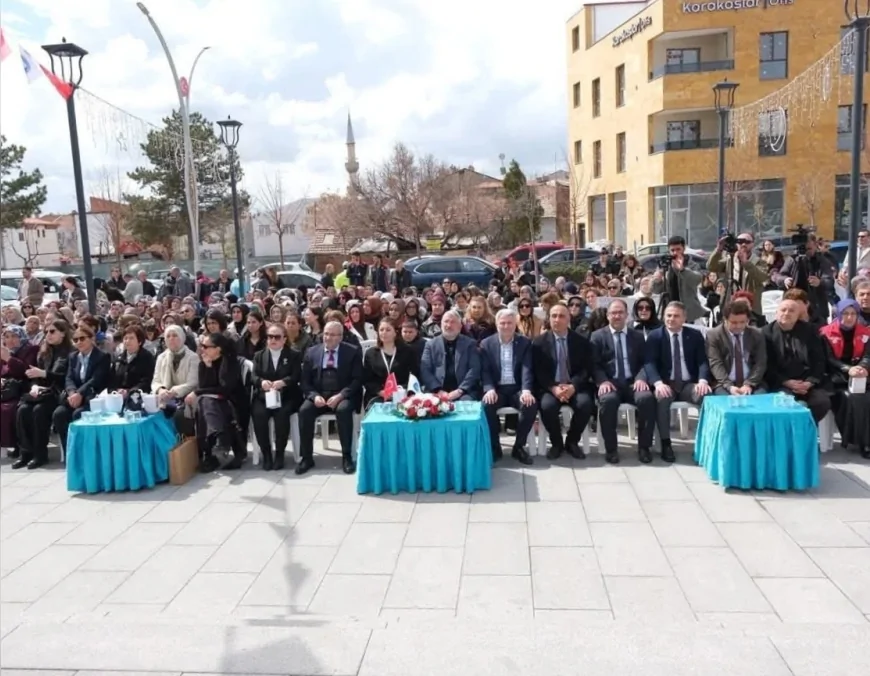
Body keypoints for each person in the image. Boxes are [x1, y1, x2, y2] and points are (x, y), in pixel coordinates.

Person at [589, 299, 656, 464]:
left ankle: (644, 448)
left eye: (620, 313)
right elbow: (593, 364)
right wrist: (602, 381)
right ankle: (611, 449)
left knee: (647, 398)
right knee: (607, 401)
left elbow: (645, 362)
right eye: (613, 313)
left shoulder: (638, 336)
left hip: (633, 382)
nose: (617, 316)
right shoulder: (597, 336)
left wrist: (641, 378)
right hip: (610, 383)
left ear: (627, 315)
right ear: (607, 315)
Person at [644, 301, 711, 462]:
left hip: (689, 384)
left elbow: (702, 361)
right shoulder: (655, 336)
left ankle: (706, 442)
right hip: (667, 383)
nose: (671, 319)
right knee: (662, 399)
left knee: (707, 398)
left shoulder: (694, 336)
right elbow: (649, 363)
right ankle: (666, 443)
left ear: (684, 318)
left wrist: (702, 381)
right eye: (668, 315)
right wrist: (658, 383)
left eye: (676, 316)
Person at [298, 321, 363, 475]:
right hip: (319, 394)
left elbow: (357, 380)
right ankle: (306, 457)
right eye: (326, 334)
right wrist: (314, 397)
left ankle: (346, 456)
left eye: (332, 334)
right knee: (304, 411)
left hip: (343, 394)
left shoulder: (352, 352)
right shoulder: (312, 352)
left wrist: (341, 395)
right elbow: (305, 382)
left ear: (340, 337)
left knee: (343, 411)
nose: (328, 337)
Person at [532, 303, 595, 460]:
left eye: (561, 316)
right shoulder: (538, 343)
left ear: (569, 319)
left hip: (575, 386)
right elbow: (538, 371)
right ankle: (557, 443)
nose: (557, 320)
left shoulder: (581, 341)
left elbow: (586, 369)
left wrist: (573, 386)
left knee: (585, 404)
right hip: (550, 387)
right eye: (553, 316)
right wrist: (553, 388)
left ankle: (572, 441)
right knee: (547, 407)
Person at [479, 309, 536, 465]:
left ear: (515, 324)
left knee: (530, 405)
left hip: (517, 389)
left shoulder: (524, 342)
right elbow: (485, 370)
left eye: (509, 323)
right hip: (497, 389)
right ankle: (494, 447)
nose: (506, 326)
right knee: (486, 405)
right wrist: (489, 388)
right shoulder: (486, 344)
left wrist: (526, 390)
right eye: (502, 323)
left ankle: (519, 447)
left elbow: (527, 368)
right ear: (496, 324)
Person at [15, 320, 73, 469]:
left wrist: (45, 373)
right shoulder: (44, 352)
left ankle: (40, 454)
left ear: (63, 333)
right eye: (46, 332)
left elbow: (65, 377)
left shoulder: (69, 352)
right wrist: (34, 386)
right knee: (22, 410)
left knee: (39, 411)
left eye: (52, 331)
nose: (48, 335)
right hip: (41, 392)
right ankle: (26, 453)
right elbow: (35, 376)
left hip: (57, 394)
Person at [187, 332, 248, 472]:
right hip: (214, 401)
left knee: (205, 402)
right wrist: (208, 367)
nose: (202, 349)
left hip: (232, 400)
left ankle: (210, 454)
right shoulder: (204, 363)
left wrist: (197, 392)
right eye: (201, 346)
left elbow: (225, 389)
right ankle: (219, 438)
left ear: (218, 348)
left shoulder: (230, 362)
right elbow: (204, 386)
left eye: (206, 346)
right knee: (205, 402)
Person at [762, 299, 831, 423]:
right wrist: (786, 382)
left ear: (798, 315)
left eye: (791, 311)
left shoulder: (810, 330)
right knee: (785, 403)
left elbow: (819, 360)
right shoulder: (766, 333)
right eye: (783, 310)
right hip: (781, 383)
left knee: (822, 402)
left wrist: (810, 382)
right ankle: (791, 436)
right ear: (776, 313)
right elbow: (767, 365)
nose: (787, 313)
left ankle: (805, 430)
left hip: (807, 382)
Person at [820, 299, 870, 457]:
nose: (849, 317)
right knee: (852, 398)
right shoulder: (825, 333)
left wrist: (863, 367)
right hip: (836, 377)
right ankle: (862, 442)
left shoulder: (866, 333)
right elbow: (829, 359)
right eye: (846, 313)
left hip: (861, 375)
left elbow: (868, 355)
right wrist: (848, 369)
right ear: (838, 314)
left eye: (853, 314)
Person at [251, 322, 303, 470]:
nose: (273, 340)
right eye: (270, 337)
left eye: (277, 337)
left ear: (284, 339)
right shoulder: (259, 356)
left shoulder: (294, 355)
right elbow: (253, 377)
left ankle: (279, 454)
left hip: (286, 395)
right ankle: (266, 454)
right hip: (264, 396)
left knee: (282, 415)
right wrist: (262, 382)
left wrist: (284, 382)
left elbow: (296, 376)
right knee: (258, 414)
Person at [52, 326, 112, 455]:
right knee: (59, 414)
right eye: (75, 339)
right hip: (74, 397)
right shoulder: (73, 357)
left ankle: (84, 453)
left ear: (92, 339)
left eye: (82, 338)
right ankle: (70, 453)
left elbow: (96, 379)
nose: (78, 342)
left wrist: (80, 393)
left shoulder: (102, 357)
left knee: (78, 415)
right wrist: (72, 392)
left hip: (91, 398)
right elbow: (68, 378)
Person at [705, 300, 768, 396]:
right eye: (734, 322)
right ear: (725, 320)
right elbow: (716, 363)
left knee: (759, 401)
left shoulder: (757, 334)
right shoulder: (714, 335)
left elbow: (760, 362)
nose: (738, 326)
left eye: (743, 322)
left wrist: (749, 384)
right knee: (726, 402)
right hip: (724, 383)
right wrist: (729, 386)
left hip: (753, 382)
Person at [773, 234, 835, 326]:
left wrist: (819, 282)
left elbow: (829, 280)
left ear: (815, 245)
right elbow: (778, 276)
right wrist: (785, 280)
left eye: (809, 249)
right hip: (794, 303)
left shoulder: (822, 260)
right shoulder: (793, 259)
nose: (806, 252)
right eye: (804, 249)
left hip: (816, 305)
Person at [420, 310, 481, 401]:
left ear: (460, 326)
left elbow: (474, 369)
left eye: (453, 322)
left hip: (464, 392)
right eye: (446, 321)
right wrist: (438, 390)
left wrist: (460, 390)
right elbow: (425, 370)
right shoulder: (431, 345)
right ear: (441, 324)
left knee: (465, 405)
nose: (448, 325)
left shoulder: (470, 344)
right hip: (436, 391)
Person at [152, 325, 200, 437]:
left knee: (180, 414)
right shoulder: (161, 357)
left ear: (182, 338)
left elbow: (192, 383)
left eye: (175, 335)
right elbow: (156, 380)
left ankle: (186, 447)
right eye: (168, 336)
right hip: (165, 397)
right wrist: (161, 389)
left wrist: (173, 392)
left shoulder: (193, 357)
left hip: (186, 397)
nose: (171, 339)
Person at [706, 232, 769, 315]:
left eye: (747, 242)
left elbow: (762, 278)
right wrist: (719, 249)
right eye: (739, 241)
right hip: (730, 306)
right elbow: (711, 267)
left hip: (750, 308)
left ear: (753, 244)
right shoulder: (729, 259)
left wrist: (746, 262)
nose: (743, 244)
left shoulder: (759, 262)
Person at [1, 325, 39, 454]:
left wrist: (9, 359)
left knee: (9, 409)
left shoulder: (31, 349)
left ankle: (17, 445)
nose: (10, 340)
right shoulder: (5, 351)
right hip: (6, 390)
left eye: (14, 336)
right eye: (6, 337)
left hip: (24, 388)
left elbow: (25, 371)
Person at [362, 318, 417, 408]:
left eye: (388, 330)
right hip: (377, 395)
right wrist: (381, 392)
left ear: (395, 332)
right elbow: (367, 379)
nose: (384, 333)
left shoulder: (407, 351)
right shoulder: (370, 353)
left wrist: (400, 390)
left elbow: (414, 375)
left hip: (402, 395)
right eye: (381, 330)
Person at [651, 236, 705, 323]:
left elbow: (697, 280)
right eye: (672, 250)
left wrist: (682, 270)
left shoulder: (691, 264)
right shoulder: (665, 264)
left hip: (688, 312)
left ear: (684, 249)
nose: (675, 253)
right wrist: (657, 280)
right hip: (670, 310)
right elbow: (656, 290)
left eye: (678, 249)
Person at [111, 325, 156, 396]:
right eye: (125, 338)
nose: (127, 341)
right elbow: (112, 379)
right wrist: (116, 390)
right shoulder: (119, 358)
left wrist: (130, 391)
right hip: (117, 396)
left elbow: (147, 380)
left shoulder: (147, 357)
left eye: (131, 338)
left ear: (139, 341)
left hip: (138, 396)